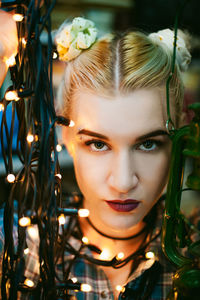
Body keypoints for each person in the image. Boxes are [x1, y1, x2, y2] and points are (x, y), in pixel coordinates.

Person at [0, 11, 192, 300]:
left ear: (180, 134)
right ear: (65, 135)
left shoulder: (194, 254)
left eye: (148, 144)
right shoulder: (20, 243)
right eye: (98, 144)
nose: (123, 182)